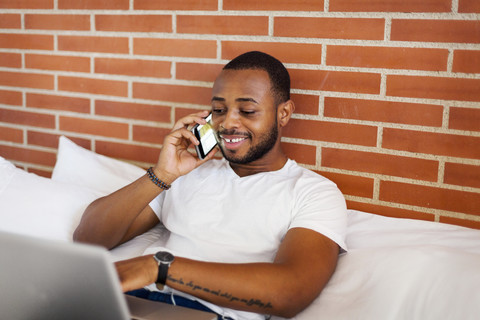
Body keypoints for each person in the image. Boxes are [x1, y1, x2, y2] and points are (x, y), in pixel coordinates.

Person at [73, 51, 347, 320]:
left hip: (208, 314)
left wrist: (160, 268)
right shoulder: (186, 175)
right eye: (218, 110)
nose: (227, 122)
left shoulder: (313, 192)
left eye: (248, 110)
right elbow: (88, 238)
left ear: (283, 113)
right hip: (129, 304)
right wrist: (163, 174)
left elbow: (291, 292)